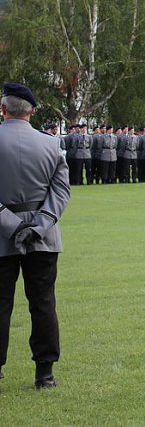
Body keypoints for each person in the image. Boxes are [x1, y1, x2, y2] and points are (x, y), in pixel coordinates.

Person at [0, 83, 70, 389]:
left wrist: (11, 225)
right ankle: (45, 373)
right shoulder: (50, 144)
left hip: (2, 236)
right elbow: (61, 191)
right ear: (32, 111)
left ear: (3, 110)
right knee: (42, 303)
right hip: (43, 237)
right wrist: (40, 224)